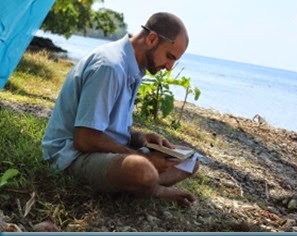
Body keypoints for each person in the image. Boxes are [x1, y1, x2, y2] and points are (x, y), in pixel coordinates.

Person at [42, 12, 199, 207]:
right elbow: (85, 138)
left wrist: (141, 138)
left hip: (101, 150)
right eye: (169, 57)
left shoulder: (133, 65)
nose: (169, 67)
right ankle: (152, 187)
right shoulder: (110, 66)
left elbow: (109, 127)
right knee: (142, 168)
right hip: (71, 156)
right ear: (152, 39)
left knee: (190, 160)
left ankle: (140, 182)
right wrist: (144, 158)